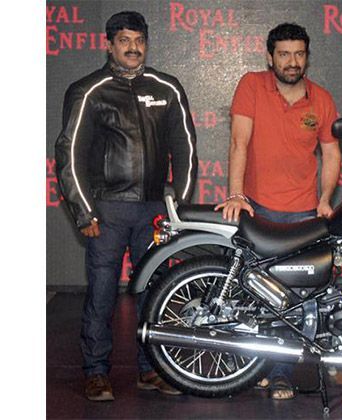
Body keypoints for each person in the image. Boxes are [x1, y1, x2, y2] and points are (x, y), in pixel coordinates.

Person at [55, 11, 198, 401]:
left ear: (146, 44)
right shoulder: (89, 90)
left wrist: (177, 207)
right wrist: (84, 211)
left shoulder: (167, 87)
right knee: (102, 294)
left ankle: (151, 369)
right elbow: (69, 155)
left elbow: (186, 148)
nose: (133, 48)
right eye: (124, 41)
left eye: (139, 41)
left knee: (155, 293)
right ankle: (96, 372)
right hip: (107, 212)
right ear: (109, 45)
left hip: (153, 212)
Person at [216, 22, 341, 400]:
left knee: (295, 299)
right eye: (284, 54)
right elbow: (239, 141)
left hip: (302, 216)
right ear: (270, 57)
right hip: (257, 211)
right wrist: (236, 194)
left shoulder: (321, 99)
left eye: (299, 54)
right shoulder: (252, 85)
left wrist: (324, 200)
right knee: (256, 297)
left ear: (307, 57)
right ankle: (255, 368)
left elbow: (331, 152)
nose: (292, 62)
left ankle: (282, 373)